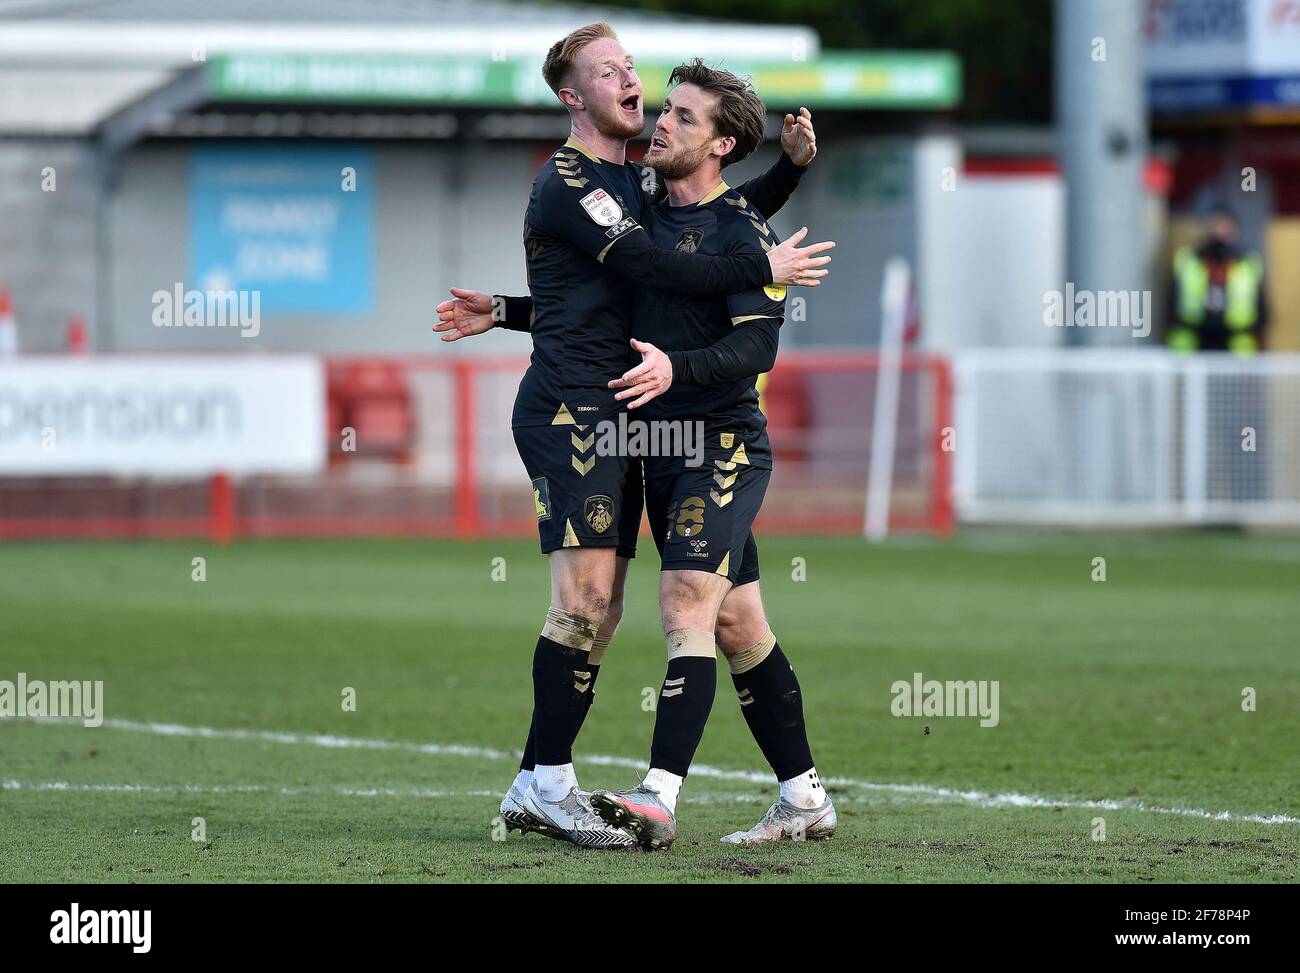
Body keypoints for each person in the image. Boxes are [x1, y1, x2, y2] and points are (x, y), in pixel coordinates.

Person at [434, 22, 833, 849]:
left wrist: (787, 173)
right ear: (572, 97)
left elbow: (717, 226)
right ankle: (549, 784)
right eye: (608, 72)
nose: (637, 91)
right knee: (591, 603)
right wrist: (762, 261)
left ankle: (794, 796)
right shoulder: (580, 183)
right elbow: (665, 265)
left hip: (673, 431)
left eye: (635, 73)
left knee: (724, 620)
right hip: (580, 416)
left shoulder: (642, 190)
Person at [1166, 208, 1267, 355]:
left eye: (1225, 228)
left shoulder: (1248, 263)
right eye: (1216, 227)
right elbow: (1171, 304)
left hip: (1236, 342)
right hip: (1195, 340)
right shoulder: (1189, 261)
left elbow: (1262, 311)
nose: (1220, 234)